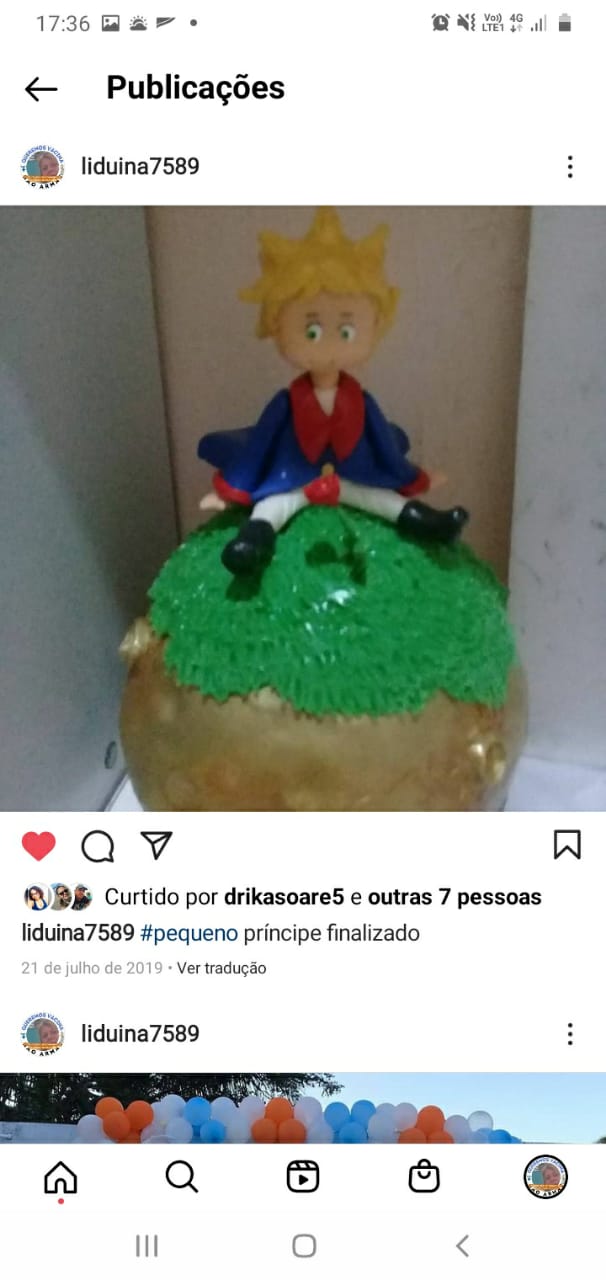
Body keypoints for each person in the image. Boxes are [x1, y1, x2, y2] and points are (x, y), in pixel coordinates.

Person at [199, 208, 468, 575]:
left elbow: (383, 446)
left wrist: (413, 476)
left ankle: (430, 523)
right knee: (272, 508)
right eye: (311, 331)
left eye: (346, 331)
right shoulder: (286, 404)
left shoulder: (361, 402)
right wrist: (230, 489)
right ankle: (252, 545)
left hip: (350, 479)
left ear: (376, 326)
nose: (327, 346)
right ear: (276, 326)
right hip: (295, 482)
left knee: (383, 500)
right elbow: (259, 448)